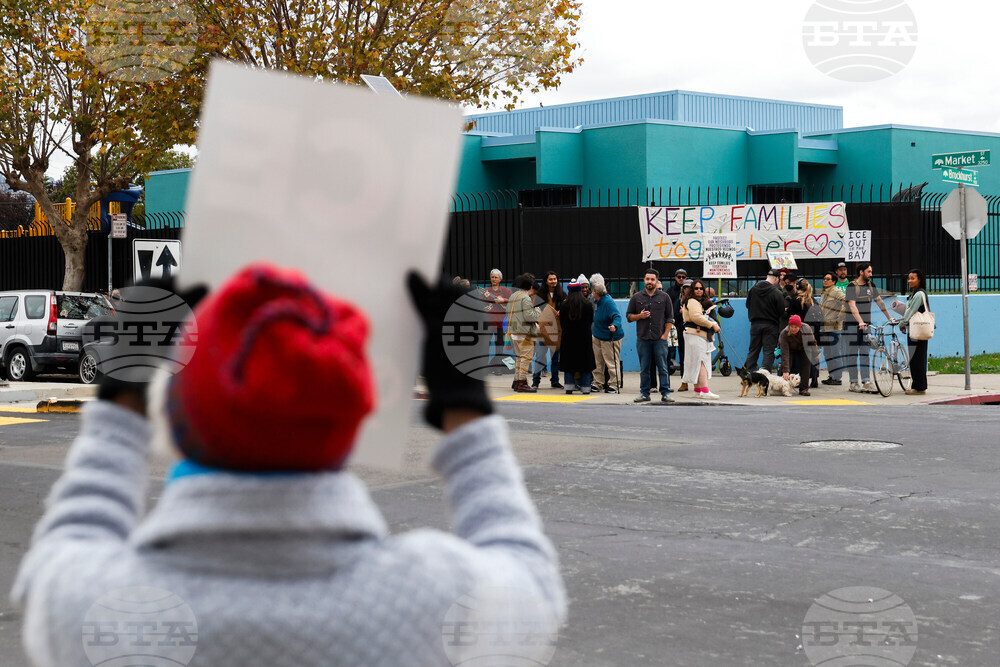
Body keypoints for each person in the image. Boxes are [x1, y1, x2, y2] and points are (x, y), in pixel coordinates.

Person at [11, 264, 566, 667]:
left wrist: (121, 399)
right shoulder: (432, 594)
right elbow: (531, 576)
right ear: (348, 428)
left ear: (176, 420)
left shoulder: (96, 607)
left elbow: (67, 543)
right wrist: (465, 406)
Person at [626, 268, 674, 404]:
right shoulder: (636, 298)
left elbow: (670, 318)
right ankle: (644, 393)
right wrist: (639, 316)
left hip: (660, 339)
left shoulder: (665, 297)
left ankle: (665, 393)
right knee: (644, 368)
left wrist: (665, 335)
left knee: (663, 367)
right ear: (644, 280)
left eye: (652, 279)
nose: (650, 282)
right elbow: (629, 317)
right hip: (643, 339)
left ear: (657, 281)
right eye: (647, 279)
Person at [846, 262, 895, 393]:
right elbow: (852, 305)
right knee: (852, 354)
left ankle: (866, 381)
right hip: (852, 325)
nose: (871, 274)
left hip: (866, 325)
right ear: (861, 272)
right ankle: (853, 383)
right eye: (868, 272)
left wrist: (890, 318)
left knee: (865, 353)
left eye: (871, 272)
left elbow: (880, 302)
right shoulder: (852, 286)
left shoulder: (870, 286)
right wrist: (860, 322)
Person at [681, 279, 721, 399]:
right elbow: (696, 317)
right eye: (696, 288)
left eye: (701, 288)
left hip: (695, 334)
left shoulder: (694, 302)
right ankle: (704, 389)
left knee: (696, 361)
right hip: (696, 335)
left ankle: (698, 389)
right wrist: (712, 325)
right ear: (692, 290)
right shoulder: (693, 301)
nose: (699, 290)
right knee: (701, 361)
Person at [745, 268, 785, 372]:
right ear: (776, 279)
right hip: (771, 325)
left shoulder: (753, 289)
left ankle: (749, 373)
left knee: (753, 350)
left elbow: (747, 305)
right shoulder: (777, 293)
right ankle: (765, 373)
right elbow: (781, 311)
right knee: (768, 351)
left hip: (755, 324)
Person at [559, 281, 596, 394]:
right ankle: (585, 387)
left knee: (569, 363)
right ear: (580, 290)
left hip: (568, 339)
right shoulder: (587, 304)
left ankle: (569, 387)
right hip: (584, 338)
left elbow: (562, 322)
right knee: (585, 364)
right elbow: (591, 320)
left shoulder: (564, 305)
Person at [507, 272, 541, 392]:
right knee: (525, 358)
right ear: (530, 285)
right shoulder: (525, 297)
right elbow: (529, 316)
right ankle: (522, 383)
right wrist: (538, 311)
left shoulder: (513, 295)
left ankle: (517, 382)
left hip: (513, 331)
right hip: (524, 332)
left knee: (519, 357)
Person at [898, 269, 930, 395]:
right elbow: (909, 310)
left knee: (917, 359)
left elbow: (911, 312)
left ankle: (919, 387)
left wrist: (902, 323)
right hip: (915, 329)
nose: (909, 281)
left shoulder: (918, 294)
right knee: (916, 358)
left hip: (918, 330)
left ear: (919, 279)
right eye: (909, 278)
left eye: (913, 278)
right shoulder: (915, 293)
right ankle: (918, 385)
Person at [532, 271, 565, 389]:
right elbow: (535, 311)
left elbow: (566, 308)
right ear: (546, 281)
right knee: (540, 357)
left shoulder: (562, 294)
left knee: (555, 358)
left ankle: (555, 381)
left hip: (556, 331)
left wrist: (562, 311)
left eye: (555, 279)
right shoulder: (540, 295)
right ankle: (535, 381)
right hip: (543, 331)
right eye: (551, 279)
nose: (553, 281)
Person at [591, 278, 623, 393]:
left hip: (610, 337)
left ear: (595, 292)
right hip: (598, 335)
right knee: (597, 361)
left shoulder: (607, 302)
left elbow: (617, 316)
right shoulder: (599, 302)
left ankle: (614, 384)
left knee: (611, 361)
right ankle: (597, 383)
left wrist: (615, 325)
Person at [787, 279, 819, 388]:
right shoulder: (814, 301)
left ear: (797, 287)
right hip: (812, 333)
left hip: (799, 333)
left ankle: (797, 380)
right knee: (812, 357)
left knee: (797, 357)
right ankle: (814, 380)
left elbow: (790, 317)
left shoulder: (794, 300)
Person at [779, 314, 820, 396]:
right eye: (792, 326)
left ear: (800, 326)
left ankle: (804, 389)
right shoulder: (784, 333)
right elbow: (785, 353)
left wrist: (816, 353)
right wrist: (786, 371)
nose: (793, 329)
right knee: (786, 366)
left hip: (804, 348)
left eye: (796, 327)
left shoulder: (806, 328)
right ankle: (784, 388)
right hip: (790, 350)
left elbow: (812, 342)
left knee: (806, 364)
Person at [818, 272, 848, 386]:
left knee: (835, 352)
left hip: (834, 328)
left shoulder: (836, 292)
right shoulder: (824, 292)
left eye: (828, 279)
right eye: (824, 278)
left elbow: (846, 303)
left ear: (833, 281)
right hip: (825, 327)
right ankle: (832, 375)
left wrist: (840, 317)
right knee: (828, 353)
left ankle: (838, 377)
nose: (825, 280)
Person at [481, 268, 513, 372]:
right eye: (492, 277)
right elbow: (481, 305)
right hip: (488, 323)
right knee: (485, 346)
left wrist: (503, 300)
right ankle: (484, 368)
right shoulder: (485, 291)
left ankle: (498, 369)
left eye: (496, 277)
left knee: (499, 347)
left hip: (501, 323)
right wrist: (485, 303)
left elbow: (513, 302)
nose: (494, 279)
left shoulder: (506, 291)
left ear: (500, 279)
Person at [666, 269, 687, 381]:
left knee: (684, 352)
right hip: (673, 324)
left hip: (685, 325)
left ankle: (684, 377)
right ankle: (668, 373)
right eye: (679, 276)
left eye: (683, 277)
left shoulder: (689, 291)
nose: (681, 279)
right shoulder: (670, 291)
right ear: (675, 277)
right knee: (669, 350)